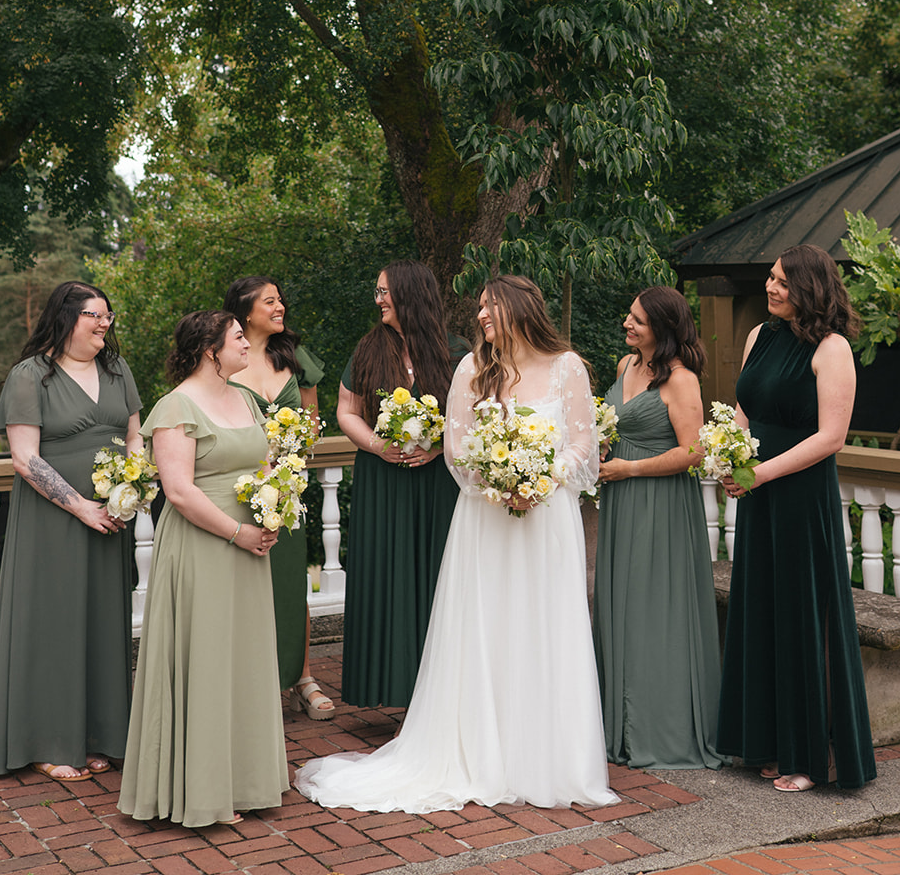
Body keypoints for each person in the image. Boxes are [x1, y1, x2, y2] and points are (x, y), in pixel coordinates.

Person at [297, 275, 617, 812]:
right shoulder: (472, 368)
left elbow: (585, 444)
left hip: (546, 517)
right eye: (481, 310)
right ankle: (477, 750)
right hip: (485, 519)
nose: (482, 317)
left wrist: (540, 477)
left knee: (544, 623)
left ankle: (547, 755)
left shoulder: (568, 367)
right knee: (486, 624)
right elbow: (457, 447)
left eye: (490, 308)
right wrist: (498, 482)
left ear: (518, 309)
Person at [117, 311, 288, 828]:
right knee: (207, 659)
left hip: (250, 545)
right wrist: (238, 532)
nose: (246, 344)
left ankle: (246, 778)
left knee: (245, 660)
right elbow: (179, 491)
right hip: (203, 546)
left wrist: (273, 507)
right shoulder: (175, 407)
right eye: (238, 338)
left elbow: (264, 462)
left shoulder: (246, 399)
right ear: (211, 350)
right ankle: (201, 788)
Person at [716, 245, 876, 792]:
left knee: (802, 616)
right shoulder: (758, 337)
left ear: (809, 288)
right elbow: (744, 411)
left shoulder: (832, 350)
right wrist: (729, 456)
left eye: (782, 281)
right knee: (760, 608)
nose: (770, 287)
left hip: (800, 497)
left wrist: (761, 473)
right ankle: (763, 740)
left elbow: (831, 437)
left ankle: (805, 755)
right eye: (769, 277)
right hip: (758, 492)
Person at [0, 282, 143, 783]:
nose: (104, 324)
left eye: (108, 317)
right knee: (52, 623)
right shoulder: (30, 376)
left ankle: (95, 735)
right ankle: (47, 740)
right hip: (53, 521)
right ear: (66, 317)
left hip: (110, 518)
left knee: (101, 623)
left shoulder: (118, 371)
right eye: (95, 315)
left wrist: (130, 490)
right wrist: (81, 508)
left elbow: (136, 437)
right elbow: (25, 457)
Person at [593, 286, 724, 770]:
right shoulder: (627, 368)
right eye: (629, 316)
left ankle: (657, 727)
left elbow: (693, 452)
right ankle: (618, 725)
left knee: (654, 610)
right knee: (620, 603)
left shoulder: (682, 380)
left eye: (639, 322)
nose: (628, 325)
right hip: (622, 502)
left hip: (661, 505)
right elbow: (617, 425)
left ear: (664, 330)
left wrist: (629, 469)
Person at [337, 260, 466, 707]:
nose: (379, 300)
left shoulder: (457, 351)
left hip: (438, 482)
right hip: (383, 481)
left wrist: (438, 446)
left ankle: (442, 692)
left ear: (411, 293)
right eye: (376, 292)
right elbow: (346, 412)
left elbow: (473, 416)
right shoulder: (368, 349)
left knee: (438, 576)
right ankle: (391, 687)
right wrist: (376, 445)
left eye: (385, 292)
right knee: (387, 575)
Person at [225, 274, 334, 718]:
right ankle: (254, 680)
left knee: (291, 583)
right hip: (239, 487)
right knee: (245, 586)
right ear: (245, 310)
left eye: (280, 300)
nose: (279, 307)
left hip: (287, 488)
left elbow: (311, 421)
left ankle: (302, 676)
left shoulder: (295, 357)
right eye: (269, 301)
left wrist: (293, 449)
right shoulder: (227, 356)